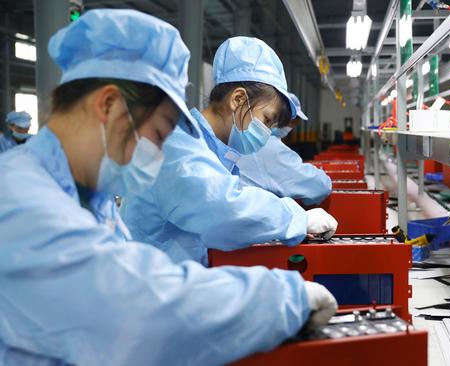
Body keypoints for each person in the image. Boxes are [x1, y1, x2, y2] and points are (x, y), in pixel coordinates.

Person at [0, 10, 336, 366]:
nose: (159, 152)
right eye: (158, 134)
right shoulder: (22, 200)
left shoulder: (84, 196)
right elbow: (134, 306)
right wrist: (279, 300)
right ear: (109, 105)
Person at [122, 37, 338, 265]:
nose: (267, 133)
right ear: (237, 99)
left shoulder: (211, 149)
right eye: (267, 119)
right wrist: (295, 219)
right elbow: (220, 208)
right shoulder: (176, 144)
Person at [237, 92, 332, 205]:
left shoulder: (242, 138)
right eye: (291, 119)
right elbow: (319, 186)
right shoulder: (269, 148)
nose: (292, 125)